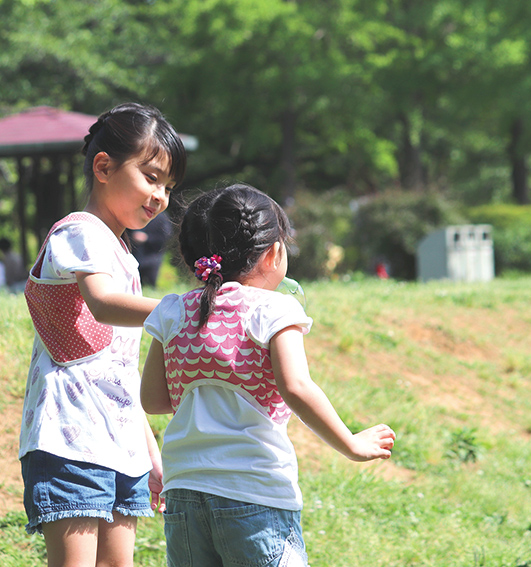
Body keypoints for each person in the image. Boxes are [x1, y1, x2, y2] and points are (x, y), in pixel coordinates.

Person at [140, 184, 395, 567]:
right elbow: (296, 387)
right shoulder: (273, 308)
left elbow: (154, 400)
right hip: (253, 492)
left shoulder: (173, 310)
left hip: (184, 493)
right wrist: (351, 444)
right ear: (274, 252)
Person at [19, 102, 187, 567]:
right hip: (68, 441)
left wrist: (148, 448)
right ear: (104, 167)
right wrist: (181, 309)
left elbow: (118, 372)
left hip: (120, 445)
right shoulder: (79, 232)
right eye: (151, 177)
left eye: (168, 187)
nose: (160, 197)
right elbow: (102, 303)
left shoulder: (122, 254)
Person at [125, 210, 173, 287]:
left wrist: (147, 238)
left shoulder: (161, 217)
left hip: (151, 260)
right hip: (132, 258)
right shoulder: (133, 213)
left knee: (149, 287)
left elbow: (164, 237)